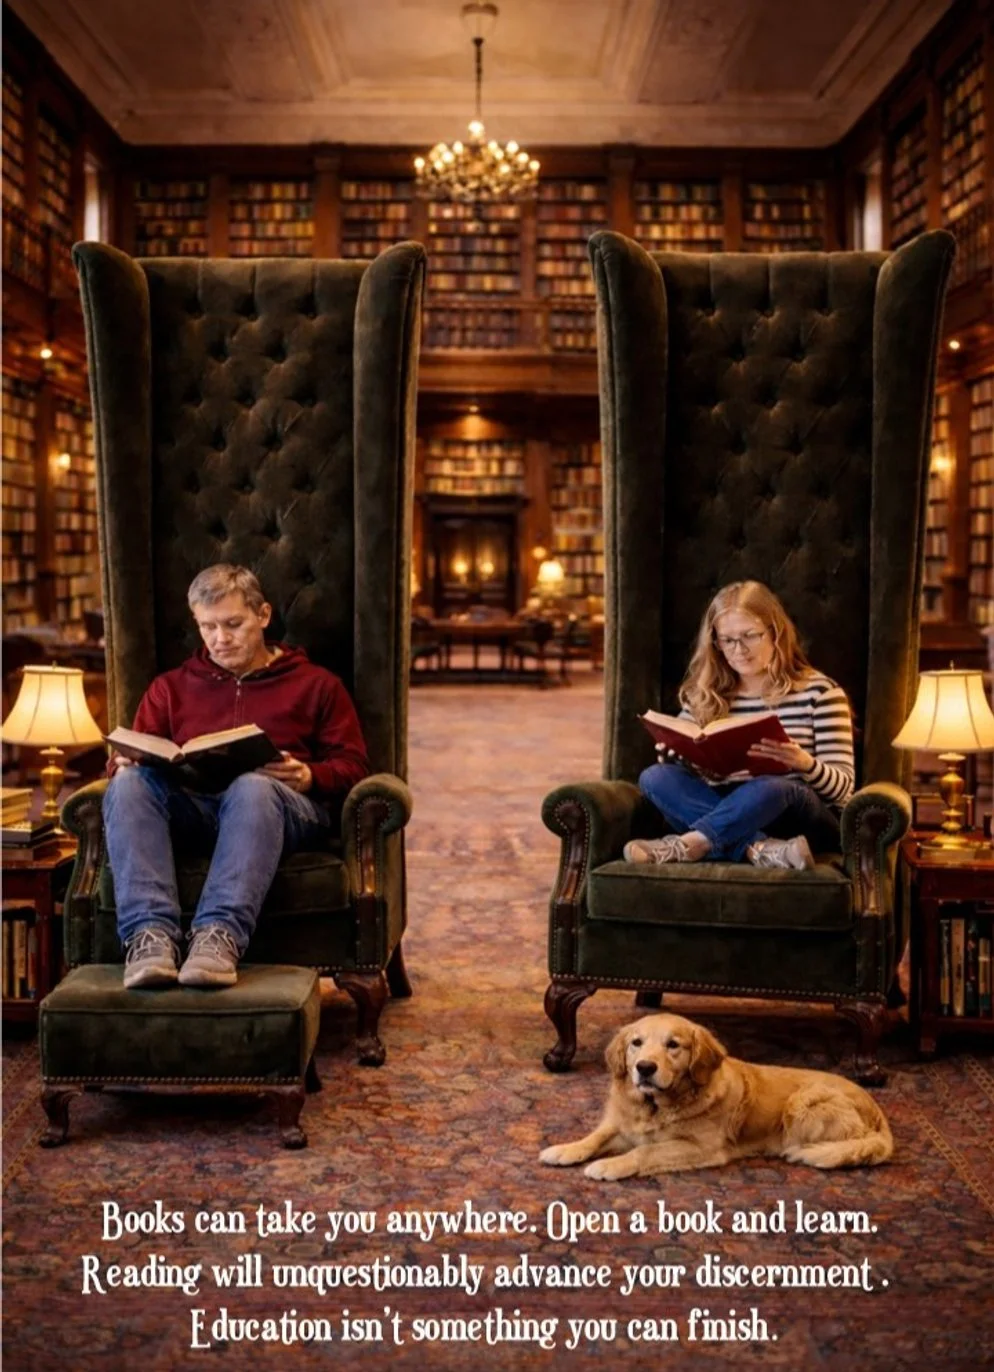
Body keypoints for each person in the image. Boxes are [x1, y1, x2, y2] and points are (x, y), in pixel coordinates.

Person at [103, 564, 369, 990]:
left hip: (279, 809)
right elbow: (139, 751)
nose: (219, 640)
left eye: (233, 624)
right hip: (192, 808)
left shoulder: (317, 684)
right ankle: (149, 938)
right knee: (129, 784)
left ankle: (218, 937)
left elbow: (354, 765)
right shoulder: (170, 687)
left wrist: (309, 774)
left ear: (262, 616)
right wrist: (125, 763)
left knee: (252, 786)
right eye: (207, 627)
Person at [624, 581, 854, 870]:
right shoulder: (706, 694)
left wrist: (804, 763)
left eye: (750, 636)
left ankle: (688, 844)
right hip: (728, 810)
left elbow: (844, 789)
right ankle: (762, 849)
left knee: (772, 785)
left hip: (796, 812)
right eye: (727, 640)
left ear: (775, 633)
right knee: (655, 776)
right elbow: (683, 761)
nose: (738, 650)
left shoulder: (821, 692)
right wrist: (676, 753)